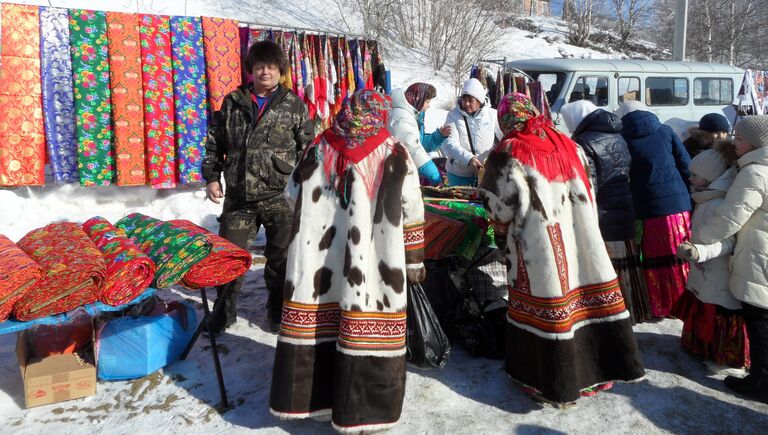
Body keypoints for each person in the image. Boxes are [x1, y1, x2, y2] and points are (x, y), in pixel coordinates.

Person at [270, 89, 426, 430]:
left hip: (316, 264)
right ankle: (364, 412)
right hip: (374, 265)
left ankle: (314, 402)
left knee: (316, 323)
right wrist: (414, 259)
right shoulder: (393, 151)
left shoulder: (320, 146)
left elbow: (291, 194)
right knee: (366, 325)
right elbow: (413, 209)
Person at [480, 93, 645, 406]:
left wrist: (500, 236)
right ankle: (598, 371)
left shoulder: (509, 151)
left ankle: (551, 382)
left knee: (551, 306)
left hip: (539, 248)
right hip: (583, 238)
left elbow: (498, 208)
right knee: (585, 300)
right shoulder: (568, 143)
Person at [201, 40, 314, 334]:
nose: (266, 72)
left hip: (280, 195)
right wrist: (212, 177)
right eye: (260, 66)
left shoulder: (294, 105)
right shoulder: (233, 102)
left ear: (280, 71)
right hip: (239, 196)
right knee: (230, 256)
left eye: (272, 67)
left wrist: (308, 188)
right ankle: (224, 311)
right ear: (251, 70)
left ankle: (278, 309)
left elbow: (309, 150)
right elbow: (215, 143)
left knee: (282, 259)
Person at [693, 115, 768, 404]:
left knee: (759, 320)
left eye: (738, 139)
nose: (732, 143)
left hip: (758, 254)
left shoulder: (755, 173)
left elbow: (729, 217)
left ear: (756, 143)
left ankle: (761, 383)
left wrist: (699, 242)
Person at [560, 100, 652, 324]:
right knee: (626, 263)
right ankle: (632, 309)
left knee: (607, 266)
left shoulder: (583, 142)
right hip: (623, 206)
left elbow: (587, 184)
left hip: (603, 212)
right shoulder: (616, 134)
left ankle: (612, 315)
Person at [672, 146, 749, 372]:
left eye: (695, 174)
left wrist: (699, 252)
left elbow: (728, 241)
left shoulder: (717, 203)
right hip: (706, 268)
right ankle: (702, 347)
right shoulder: (708, 198)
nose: (690, 177)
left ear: (712, 177)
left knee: (717, 309)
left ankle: (724, 358)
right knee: (706, 303)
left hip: (717, 269)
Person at [617, 100, 692, 318]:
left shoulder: (623, 137)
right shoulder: (665, 131)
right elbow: (685, 165)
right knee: (681, 256)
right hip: (678, 205)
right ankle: (686, 305)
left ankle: (661, 305)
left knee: (655, 259)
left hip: (646, 207)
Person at [442, 78, 503, 186]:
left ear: (479, 100)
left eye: (471, 100)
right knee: (460, 202)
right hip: (458, 173)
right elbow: (450, 143)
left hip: (485, 172)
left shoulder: (493, 115)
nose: (466, 104)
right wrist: (469, 159)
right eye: (464, 99)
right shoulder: (453, 115)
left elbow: (503, 138)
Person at [387, 83, 451, 186]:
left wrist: (438, 136)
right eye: (427, 102)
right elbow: (412, 148)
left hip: (406, 172)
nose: (428, 106)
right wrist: (435, 175)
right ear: (417, 98)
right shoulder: (401, 117)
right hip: (397, 176)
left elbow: (419, 143)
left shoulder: (411, 114)